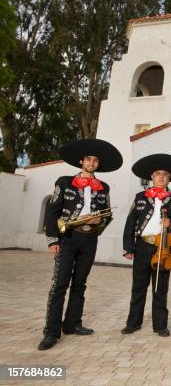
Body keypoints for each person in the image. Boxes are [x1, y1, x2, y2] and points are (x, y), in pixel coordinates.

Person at [39, 139, 122, 350]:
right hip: (67, 239)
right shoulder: (64, 181)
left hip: (89, 239)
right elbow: (52, 212)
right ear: (81, 161)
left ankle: (72, 323)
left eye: (95, 160)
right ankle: (51, 331)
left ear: (98, 164)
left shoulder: (104, 187)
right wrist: (53, 240)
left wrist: (99, 221)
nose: (92, 163)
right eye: (88, 159)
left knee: (80, 284)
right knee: (59, 285)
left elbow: (107, 214)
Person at [121, 153, 171, 337]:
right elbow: (130, 223)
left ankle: (160, 325)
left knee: (160, 287)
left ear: (169, 178)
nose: (161, 177)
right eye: (157, 174)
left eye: (165, 174)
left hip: (164, 248)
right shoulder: (140, 197)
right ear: (151, 177)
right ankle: (133, 323)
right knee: (138, 287)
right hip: (142, 245)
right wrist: (128, 247)